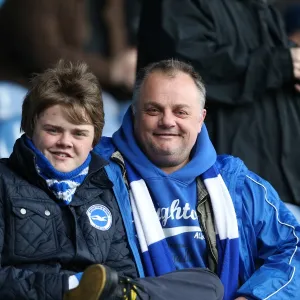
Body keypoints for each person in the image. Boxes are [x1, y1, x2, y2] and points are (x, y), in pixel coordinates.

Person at [0, 60, 223, 300]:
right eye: (53, 130)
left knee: (208, 284)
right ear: (31, 127)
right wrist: (68, 288)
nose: (65, 141)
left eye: (79, 133)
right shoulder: (4, 180)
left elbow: (123, 270)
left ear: (94, 138)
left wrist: (114, 291)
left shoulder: (103, 186)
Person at [94, 59, 300, 300]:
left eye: (181, 111)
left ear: (201, 118)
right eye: (154, 110)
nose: (168, 121)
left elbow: (293, 247)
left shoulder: (236, 182)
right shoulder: (98, 172)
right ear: (134, 113)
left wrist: (254, 297)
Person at [136, 0, 300, 220]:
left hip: (276, 187)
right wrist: (279, 64)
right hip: (215, 190)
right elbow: (183, 74)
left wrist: (292, 62)